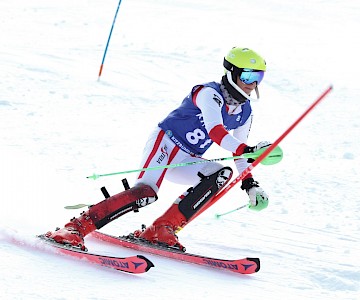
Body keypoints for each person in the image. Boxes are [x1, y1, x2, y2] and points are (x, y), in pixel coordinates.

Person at [45, 47, 270, 251]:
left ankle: (162, 229)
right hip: (166, 143)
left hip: (188, 158)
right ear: (231, 72)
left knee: (222, 174)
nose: (253, 83)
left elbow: (241, 154)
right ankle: (74, 228)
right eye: (248, 75)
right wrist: (249, 148)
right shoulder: (209, 94)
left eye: (258, 77)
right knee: (146, 193)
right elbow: (216, 132)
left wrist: (249, 184)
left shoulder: (245, 112)